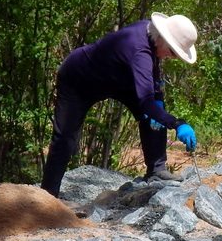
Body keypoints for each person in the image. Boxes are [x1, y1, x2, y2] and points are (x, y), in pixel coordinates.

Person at [40, 13, 198, 197]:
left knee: (155, 112)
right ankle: (47, 196)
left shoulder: (151, 35)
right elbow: (146, 101)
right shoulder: (139, 50)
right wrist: (177, 123)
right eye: (172, 52)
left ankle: (157, 170)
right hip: (79, 79)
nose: (171, 57)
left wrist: (159, 103)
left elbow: (153, 80)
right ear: (162, 38)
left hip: (118, 79)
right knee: (65, 139)